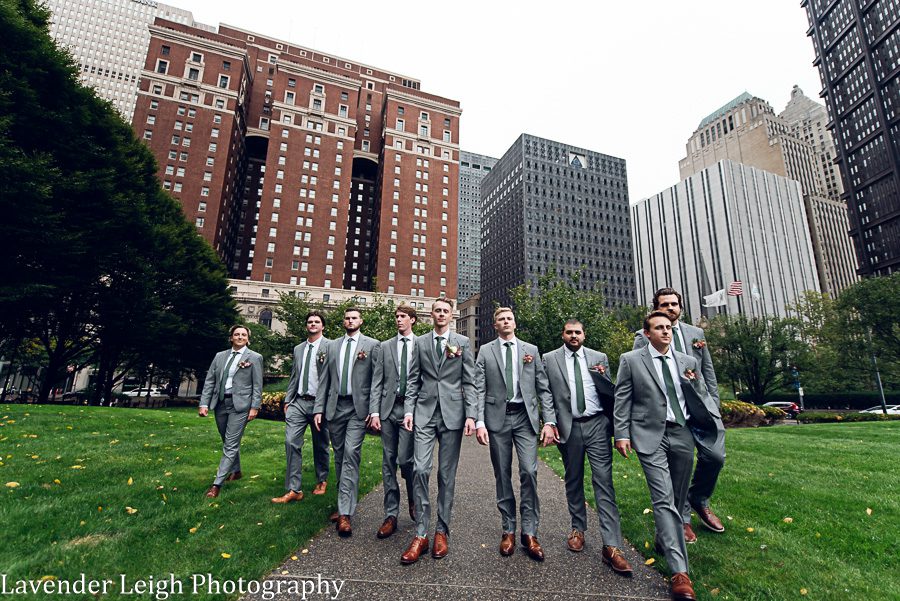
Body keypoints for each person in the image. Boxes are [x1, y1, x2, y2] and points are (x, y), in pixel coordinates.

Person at [615, 312, 722, 601]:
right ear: (647, 333)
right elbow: (622, 398)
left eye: (668, 327)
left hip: (683, 434)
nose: (666, 331)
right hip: (650, 437)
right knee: (663, 499)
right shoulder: (631, 360)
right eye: (659, 328)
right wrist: (622, 433)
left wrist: (711, 425)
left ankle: (665, 539)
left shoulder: (688, 362)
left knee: (677, 498)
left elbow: (700, 396)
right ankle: (680, 573)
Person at [633, 287, 726, 543]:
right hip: (671, 413)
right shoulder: (643, 337)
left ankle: (699, 498)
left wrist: (714, 406)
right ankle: (683, 519)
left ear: (680, 307)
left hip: (701, 409)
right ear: (656, 308)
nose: (670, 308)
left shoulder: (697, 334)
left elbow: (708, 373)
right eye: (665, 305)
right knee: (678, 468)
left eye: (674, 304)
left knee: (715, 457)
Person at [542, 319, 633, 576]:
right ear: (563, 334)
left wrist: (615, 425)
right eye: (569, 332)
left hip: (597, 425)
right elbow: (546, 393)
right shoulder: (549, 359)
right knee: (573, 479)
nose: (573, 336)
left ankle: (612, 546)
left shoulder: (598, 356)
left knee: (604, 482)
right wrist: (550, 421)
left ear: (584, 334)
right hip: (569, 427)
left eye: (577, 332)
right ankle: (577, 529)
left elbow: (609, 390)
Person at [473, 307, 556, 561]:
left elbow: (543, 388)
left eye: (509, 318)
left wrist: (549, 420)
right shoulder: (486, 351)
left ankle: (529, 532)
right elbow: (478, 387)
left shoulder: (530, 350)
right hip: (497, 418)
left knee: (529, 472)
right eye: (501, 319)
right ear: (495, 325)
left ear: (515, 324)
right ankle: (508, 528)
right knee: (502, 473)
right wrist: (479, 421)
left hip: (525, 418)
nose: (506, 322)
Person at [399, 298, 477, 564]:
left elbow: (470, 381)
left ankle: (441, 530)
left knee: (446, 475)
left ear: (452, 315)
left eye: (446, 310)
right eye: (437, 310)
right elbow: (412, 379)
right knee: (420, 469)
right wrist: (409, 411)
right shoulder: (420, 343)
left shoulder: (463, 343)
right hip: (424, 412)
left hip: (453, 414)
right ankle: (421, 533)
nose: (441, 314)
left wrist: (471, 415)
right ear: (431, 314)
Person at [313, 307, 381, 537]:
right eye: (347, 318)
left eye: (354, 317)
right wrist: (318, 409)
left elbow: (375, 381)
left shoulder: (372, 345)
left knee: (351, 453)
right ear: (343, 322)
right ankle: (344, 501)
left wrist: (373, 410)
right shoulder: (331, 346)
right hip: (334, 407)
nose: (350, 320)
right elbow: (324, 380)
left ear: (361, 321)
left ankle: (345, 514)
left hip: (357, 409)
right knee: (340, 455)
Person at [369, 304, 419, 538]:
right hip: (388, 410)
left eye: (403, 317)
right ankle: (391, 514)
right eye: (397, 317)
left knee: (407, 461)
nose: (398, 320)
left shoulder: (421, 344)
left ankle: (413, 500)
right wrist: (375, 412)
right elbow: (377, 381)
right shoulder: (385, 346)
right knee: (388, 461)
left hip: (412, 411)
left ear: (413, 320)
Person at [272, 311, 331, 504]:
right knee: (291, 442)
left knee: (320, 444)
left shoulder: (330, 347)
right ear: (306, 325)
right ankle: (294, 489)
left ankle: (322, 479)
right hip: (298, 402)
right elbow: (294, 376)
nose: (313, 324)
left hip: (319, 403)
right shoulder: (298, 348)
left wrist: (324, 405)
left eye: (316, 321)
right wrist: (288, 400)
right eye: (310, 321)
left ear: (323, 326)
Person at [199, 325, 263, 498]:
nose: (240, 337)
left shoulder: (255, 358)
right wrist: (203, 403)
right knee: (226, 440)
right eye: (237, 334)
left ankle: (216, 484)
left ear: (248, 338)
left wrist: (254, 407)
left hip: (240, 406)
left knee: (231, 444)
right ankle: (237, 471)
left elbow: (257, 385)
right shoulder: (220, 356)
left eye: (243, 334)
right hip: (220, 403)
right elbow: (210, 380)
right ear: (231, 337)